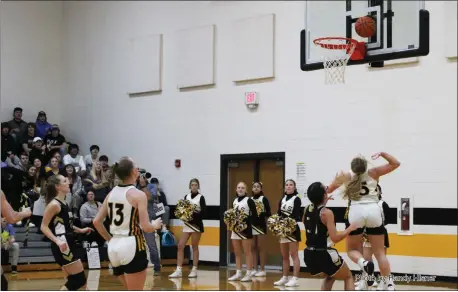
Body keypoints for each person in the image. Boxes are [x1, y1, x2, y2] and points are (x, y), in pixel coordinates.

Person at [326, 152, 400, 291]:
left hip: (356, 212)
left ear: (352, 167)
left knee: (352, 250)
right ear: (365, 165)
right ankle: (389, 284)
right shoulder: (374, 172)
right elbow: (396, 163)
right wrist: (382, 153)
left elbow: (328, 189)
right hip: (374, 210)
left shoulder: (345, 176)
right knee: (379, 253)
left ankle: (364, 263)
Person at [93, 157, 163, 290]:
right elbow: (146, 227)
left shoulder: (111, 193)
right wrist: (155, 225)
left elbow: (96, 222)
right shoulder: (138, 195)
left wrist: (110, 240)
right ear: (133, 172)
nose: (138, 168)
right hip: (131, 244)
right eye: (136, 166)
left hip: (113, 247)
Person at [40, 175, 92, 290]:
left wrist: (80, 230)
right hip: (63, 245)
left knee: (80, 282)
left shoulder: (64, 203)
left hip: (69, 241)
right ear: (57, 186)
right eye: (65, 181)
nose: (68, 182)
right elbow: (43, 226)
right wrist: (57, 241)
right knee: (78, 280)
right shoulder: (54, 205)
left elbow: (66, 225)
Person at [303, 182, 359, 290]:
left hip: (309, 255)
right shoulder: (327, 213)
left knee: (331, 276)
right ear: (324, 195)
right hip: (324, 254)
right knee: (348, 276)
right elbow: (335, 238)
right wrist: (349, 229)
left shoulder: (306, 209)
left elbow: (308, 221)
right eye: (325, 189)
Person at [169, 178, 206, 279]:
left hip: (196, 225)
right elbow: (183, 209)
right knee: (180, 245)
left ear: (198, 186)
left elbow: (204, 212)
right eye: (192, 185)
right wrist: (183, 214)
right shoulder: (186, 196)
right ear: (190, 186)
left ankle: (194, 269)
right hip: (186, 225)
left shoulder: (201, 197)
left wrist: (192, 213)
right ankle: (178, 270)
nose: (194, 186)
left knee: (194, 246)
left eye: (196, 185)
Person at [227, 182, 259, 282]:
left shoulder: (249, 200)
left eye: (242, 188)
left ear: (246, 190)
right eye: (238, 187)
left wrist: (244, 221)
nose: (240, 189)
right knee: (237, 252)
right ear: (236, 190)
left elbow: (255, 216)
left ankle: (249, 273)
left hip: (246, 230)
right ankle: (238, 273)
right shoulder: (234, 200)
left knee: (247, 252)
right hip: (235, 229)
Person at [1, 191, 31, 291]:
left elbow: (12, 236)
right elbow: (13, 217)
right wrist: (27, 212)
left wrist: (9, 241)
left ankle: (14, 267)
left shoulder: (8, 226)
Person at [274, 179, 302, 287]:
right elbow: (278, 214)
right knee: (284, 256)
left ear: (294, 187)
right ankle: (285, 277)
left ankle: (295, 278)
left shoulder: (297, 199)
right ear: (284, 187)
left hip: (292, 230)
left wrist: (286, 224)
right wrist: (277, 224)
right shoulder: (282, 199)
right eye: (287, 185)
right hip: (282, 230)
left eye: (291, 185)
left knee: (294, 255)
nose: (289, 186)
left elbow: (295, 215)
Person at [250, 182, 271, 277]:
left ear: (261, 189)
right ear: (252, 188)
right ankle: (254, 268)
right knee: (253, 247)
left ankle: (262, 269)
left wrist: (262, 213)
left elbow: (269, 213)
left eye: (258, 187)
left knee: (260, 247)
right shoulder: (249, 199)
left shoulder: (264, 199)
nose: (256, 188)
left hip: (261, 226)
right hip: (251, 225)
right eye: (254, 186)